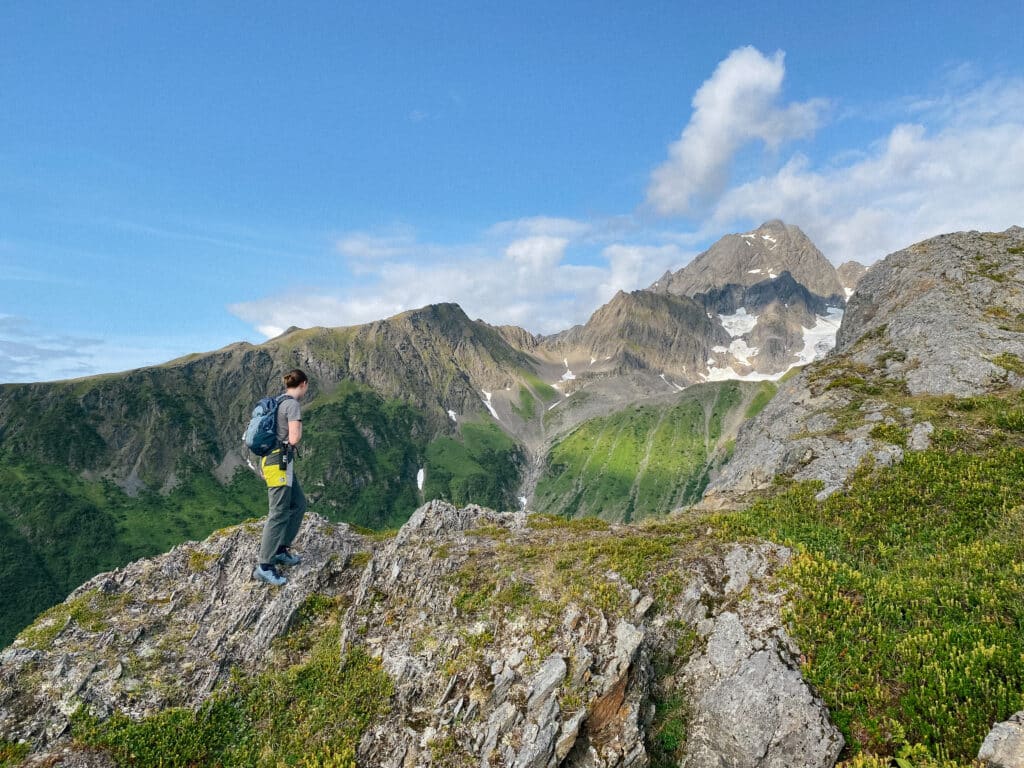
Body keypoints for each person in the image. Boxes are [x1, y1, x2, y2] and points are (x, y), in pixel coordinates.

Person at [253, 369, 309, 586]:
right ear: (303, 384)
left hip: (274, 461)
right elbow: (294, 438)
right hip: (279, 464)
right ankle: (264, 566)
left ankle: (280, 549)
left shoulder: (277, 401)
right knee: (278, 513)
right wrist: (297, 431)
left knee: (299, 503)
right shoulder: (292, 405)